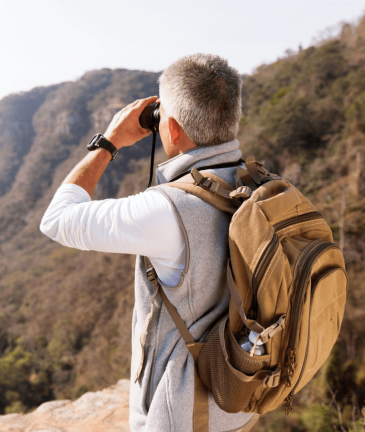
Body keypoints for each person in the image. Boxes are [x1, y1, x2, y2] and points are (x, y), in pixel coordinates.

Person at [40, 54, 255, 432]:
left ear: (168, 127)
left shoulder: (167, 210)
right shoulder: (256, 186)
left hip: (183, 414)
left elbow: (56, 220)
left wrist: (108, 142)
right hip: (240, 397)